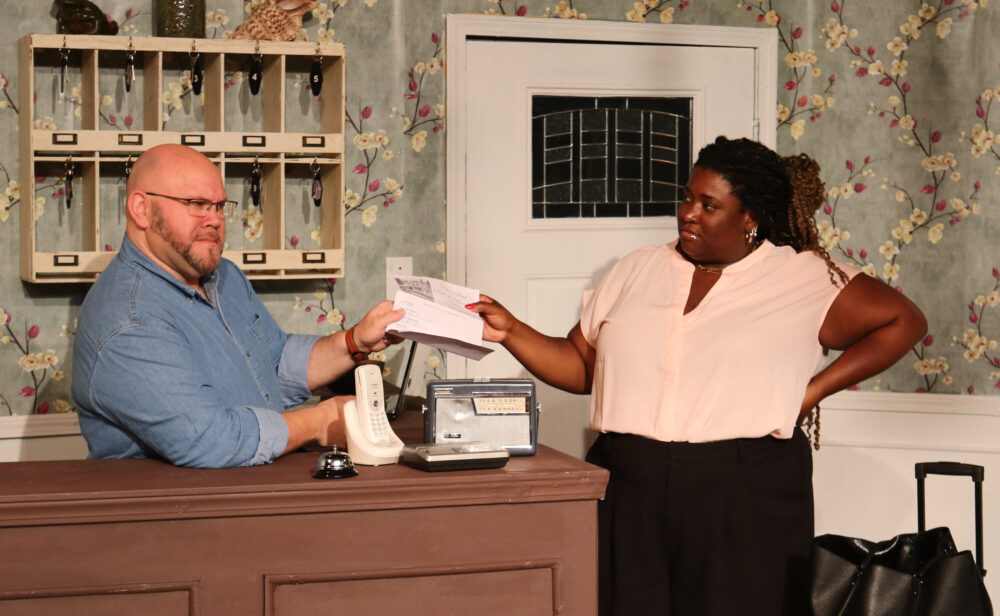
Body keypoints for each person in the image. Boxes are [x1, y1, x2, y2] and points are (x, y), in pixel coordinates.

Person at [467, 136, 927, 615]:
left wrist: (809, 393)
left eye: (709, 204)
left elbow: (903, 321)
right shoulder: (638, 268)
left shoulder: (804, 277)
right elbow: (583, 367)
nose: (689, 212)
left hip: (745, 489)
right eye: (687, 197)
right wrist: (512, 331)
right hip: (630, 482)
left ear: (750, 218)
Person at [72, 144, 404, 468]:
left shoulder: (224, 277)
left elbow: (273, 364)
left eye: (219, 206)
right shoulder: (129, 319)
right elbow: (211, 440)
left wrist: (356, 341)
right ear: (141, 209)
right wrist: (320, 422)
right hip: (176, 515)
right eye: (197, 203)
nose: (214, 219)